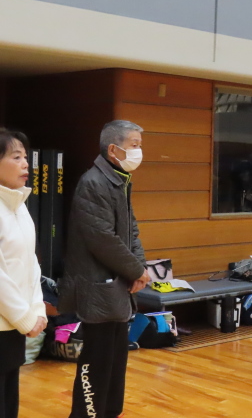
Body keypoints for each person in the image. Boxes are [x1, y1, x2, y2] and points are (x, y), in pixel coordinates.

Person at [59, 120, 151, 418]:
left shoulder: (119, 179)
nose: (139, 151)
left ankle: (111, 411)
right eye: (134, 145)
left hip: (118, 285)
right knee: (96, 360)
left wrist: (139, 267)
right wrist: (135, 271)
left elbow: (131, 231)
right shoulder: (93, 183)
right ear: (114, 149)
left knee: (116, 357)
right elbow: (102, 239)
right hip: (97, 286)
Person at [0, 129, 47, 418]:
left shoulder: (19, 207)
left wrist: (37, 308)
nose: (25, 164)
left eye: (26, 157)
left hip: (14, 326)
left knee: (9, 402)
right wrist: (25, 317)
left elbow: (31, 264)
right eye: (16, 157)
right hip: (7, 322)